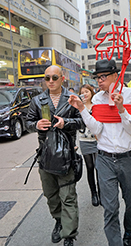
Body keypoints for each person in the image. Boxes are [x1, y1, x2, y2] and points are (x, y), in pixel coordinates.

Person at [69, 59, 131, 246]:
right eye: (97, 77)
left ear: (115, 76)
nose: (99, 81)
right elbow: (97, 129)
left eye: (103, 77)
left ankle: (129, 231)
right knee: (110, 207)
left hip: (128, 158)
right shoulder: (98, 99)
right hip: (105, 159)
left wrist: (121, 108)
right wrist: (82, 109)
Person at [26, 65, 85, 246]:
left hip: (67, 155)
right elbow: (28, 122)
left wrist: (65, 122)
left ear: (62, 78)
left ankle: (69, 235)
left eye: (54, 78)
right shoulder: (37, 101)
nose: (50, 81)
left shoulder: (73, 99)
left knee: (68, 195)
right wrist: (36, 125)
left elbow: (83, 121)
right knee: (51, 195)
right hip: (45, 155)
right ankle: (59, 221)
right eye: (47, 78)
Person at [78, 84, 99, 206]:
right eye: (82, 92)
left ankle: (101, 192)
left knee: (98, 166)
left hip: (96, 140)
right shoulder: (79, 107)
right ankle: (94, 194)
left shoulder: (96, 106)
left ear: (91, 92)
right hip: (84, 139)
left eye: (87, 91)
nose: (84, 94)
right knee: (90, 167)